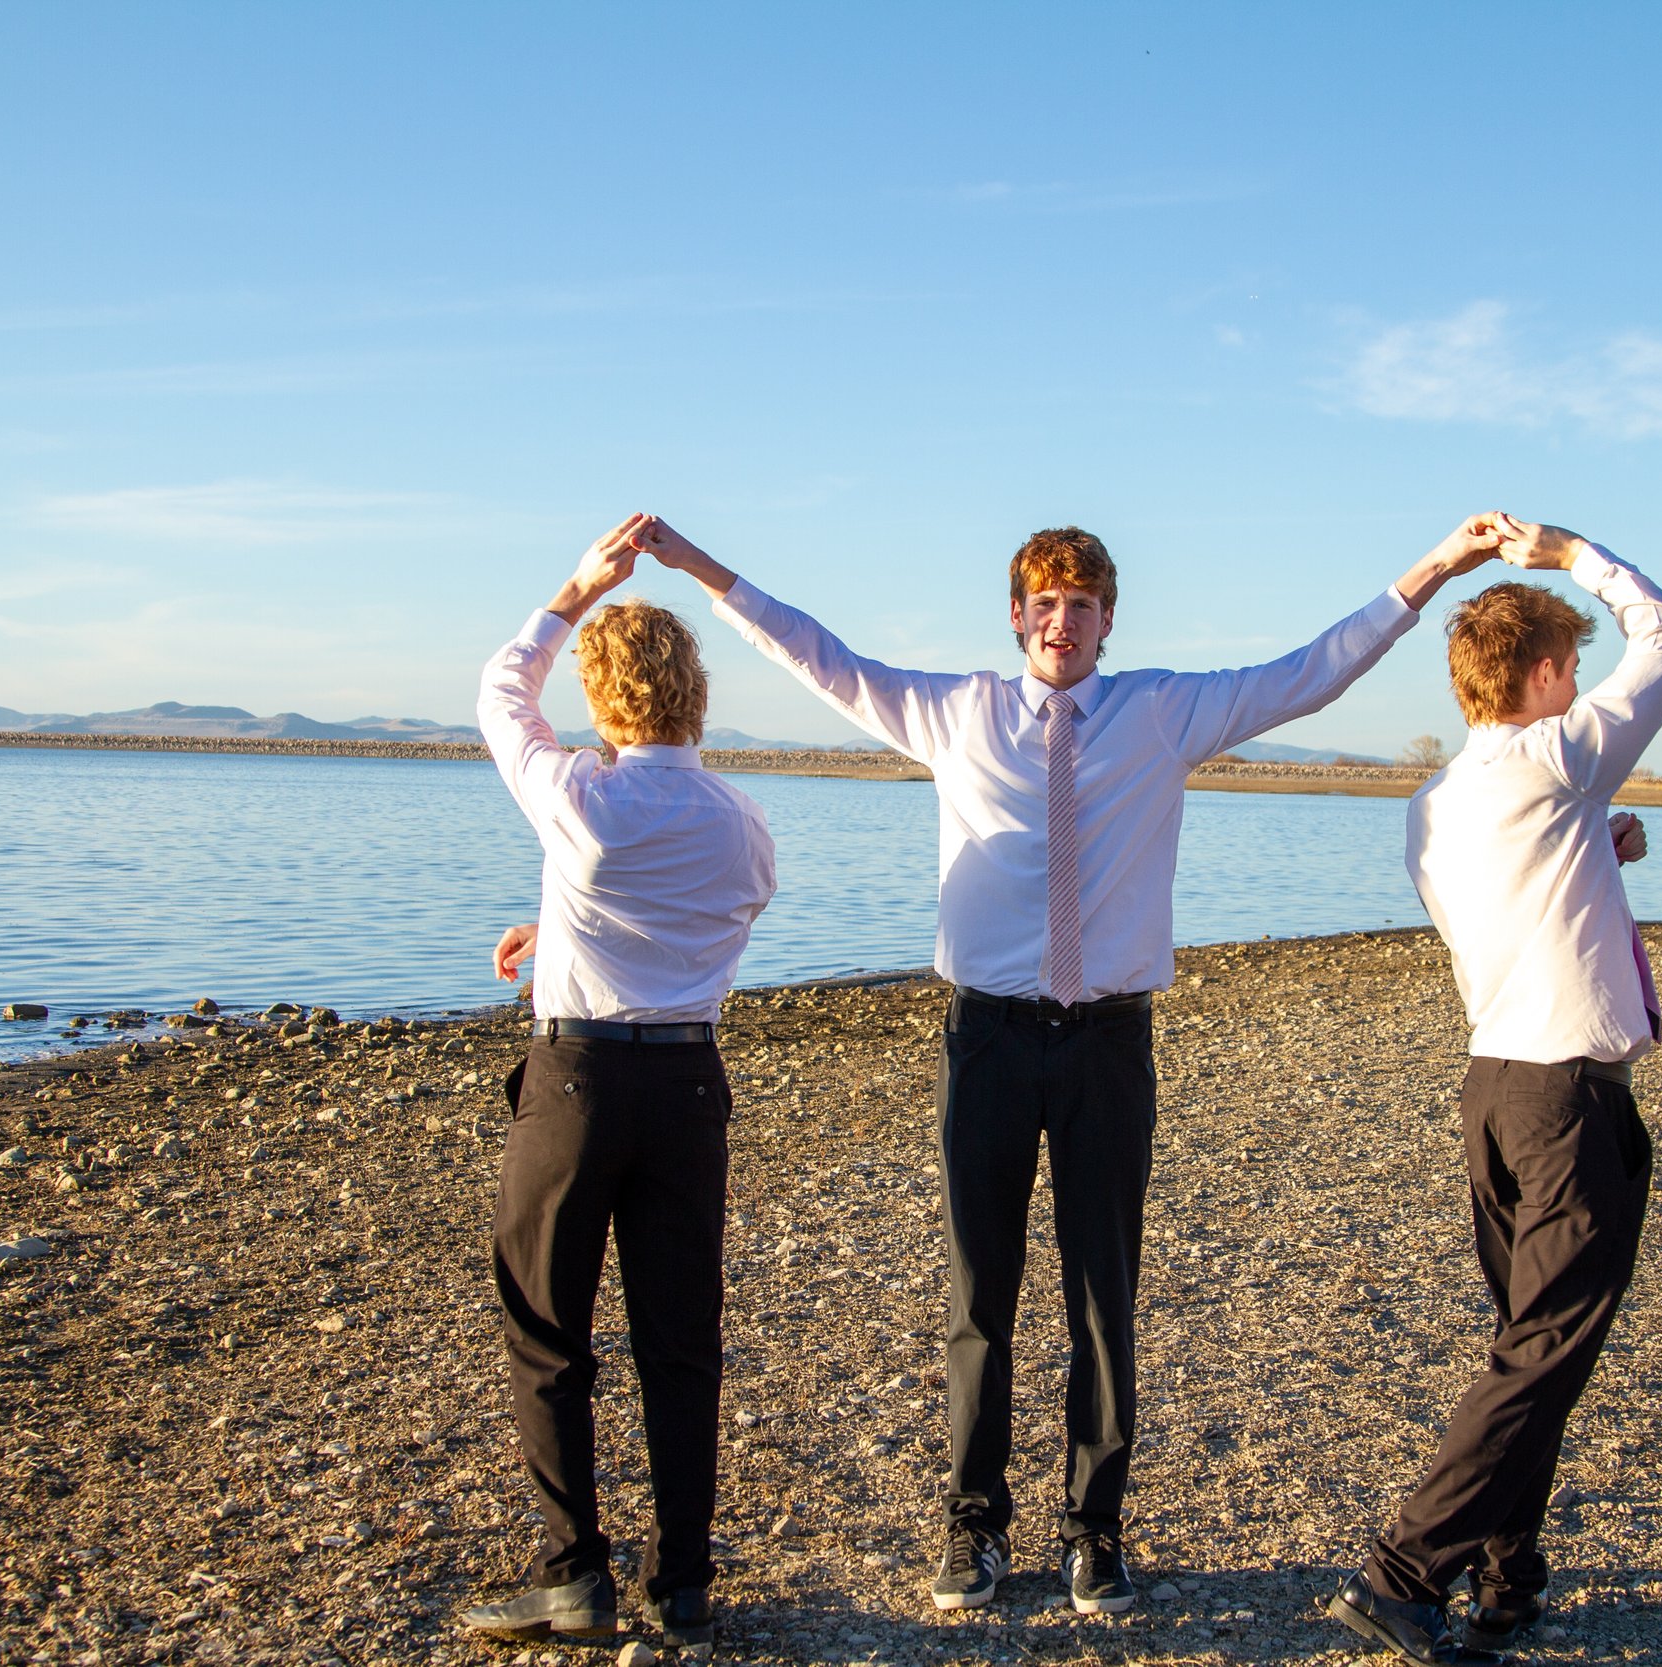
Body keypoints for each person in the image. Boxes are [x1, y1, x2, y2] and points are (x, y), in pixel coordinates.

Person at [628, 511, 1516, 1616]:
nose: (1062, 621)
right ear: (1017, 616)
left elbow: (1312, 670)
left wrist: (1434, 567)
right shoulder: (954, 712)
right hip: (988, 1035)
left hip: (1107, 1042)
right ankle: (973, 1526)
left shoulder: (1162, 712)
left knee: (1104, 1292)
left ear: (1106, 619)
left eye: (1081, 605)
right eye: (1043, 604)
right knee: (977, 1294)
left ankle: (1096, 1528)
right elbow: (818, 652)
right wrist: (702, 568)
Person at [1328, 521, 1662, 1666]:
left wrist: (1597, 847)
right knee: (1541, 1352)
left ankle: (1505, 1577)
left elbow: (1507, 910)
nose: (1580, 683)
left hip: (1492, 1088)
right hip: (1563, 1099)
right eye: (1569, 667)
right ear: (1540, 676)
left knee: (1525, 1345)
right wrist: (1570, 552)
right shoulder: (1555, 755)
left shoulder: (1434, 802)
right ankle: (1401, 1570)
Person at [459, 515, 778, 1656]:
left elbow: (501, 691)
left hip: (579, 1081)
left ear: (603, 696)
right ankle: (683, 1577)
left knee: (549, 1329)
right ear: (693, 688)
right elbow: (696, 920)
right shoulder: (744, 822)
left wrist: (573, 591)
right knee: (681, 1335)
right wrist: (557, 925)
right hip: (689, 1084)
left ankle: (574, 1574)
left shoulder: (579, 800)